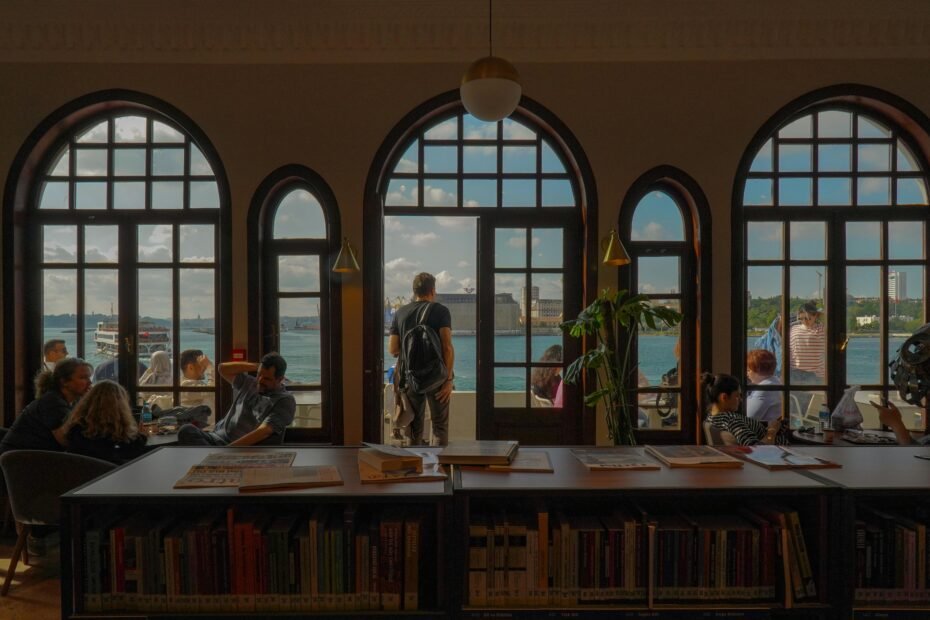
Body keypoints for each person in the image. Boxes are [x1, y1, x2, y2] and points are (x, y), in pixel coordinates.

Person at [388, 272, 455, 446]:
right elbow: (447, 347)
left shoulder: (400, 313)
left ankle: (416, 468)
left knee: (414, 427)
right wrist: (448, 380)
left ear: (413, 291)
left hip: (410, 377)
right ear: (432, 290)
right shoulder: (440, 311)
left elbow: (393, 349)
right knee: (439, 426)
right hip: (438, 378)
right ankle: (440, 469)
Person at [176, 352, 295, 446]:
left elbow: (264, 431)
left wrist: (229, 450)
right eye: (259, 375)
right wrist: (257, 366)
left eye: (267, 379)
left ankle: (213, 458)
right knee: (186, 430)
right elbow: (222, 369)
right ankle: (212, 458)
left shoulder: (284, 400)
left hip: (237, 447)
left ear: (280, 379)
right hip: (216, 437)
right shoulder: (250, 383)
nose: (260, 381)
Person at [0, 357, 93, 457]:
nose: (90, 382)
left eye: (89, 377)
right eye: (83, 378)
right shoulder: (52, 402)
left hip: (36, 456)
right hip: (19, 460)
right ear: (64, 382)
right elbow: (65, 441)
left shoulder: (74, 401)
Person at [62, 380, 147, 464]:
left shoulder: (77, 426)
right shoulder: (114, 432)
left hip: (80, 473)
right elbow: (132, 452)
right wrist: (142, 436)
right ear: (121, 405)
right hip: (110, 473)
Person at [704, 372, 788, 446]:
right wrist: (772, 431)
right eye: (737, 396)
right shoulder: (732, 421)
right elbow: (756, 448)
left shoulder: (711, 417)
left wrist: (776, 428)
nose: (740, 399)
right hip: (780, 454)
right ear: (724, 397)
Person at [788, 301, 825, 384]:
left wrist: (818, 313)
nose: (804, 321)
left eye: (808, 318)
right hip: (795, 371)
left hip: (815, 373)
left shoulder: (822, 329)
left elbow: (832, 320)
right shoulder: (793, 328)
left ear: (815, 316)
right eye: (801, 318)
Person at [745, 349, 783, 423]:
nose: (747, 374)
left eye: (748, 370)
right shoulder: (775, 381)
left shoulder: (764, 389)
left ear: (758, 370)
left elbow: (749, 418)